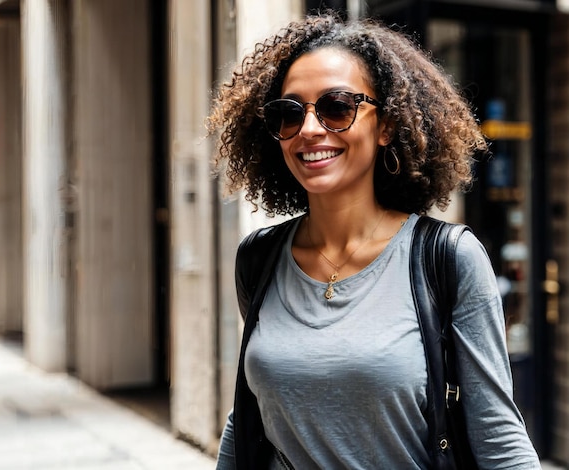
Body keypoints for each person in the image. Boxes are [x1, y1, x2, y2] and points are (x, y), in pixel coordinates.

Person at [207, 13, 541, 470]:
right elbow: (246, 418)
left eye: (337, 107)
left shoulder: (446, 258)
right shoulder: (259, 258)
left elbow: (498, 437)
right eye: (289, 112)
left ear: (386, 126)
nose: (308, 129)